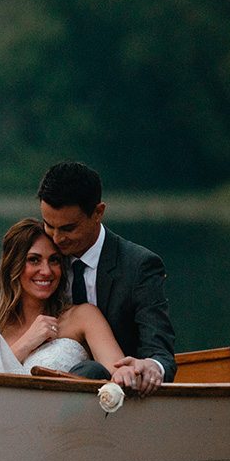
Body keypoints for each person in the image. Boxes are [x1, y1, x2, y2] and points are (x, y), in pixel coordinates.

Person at [38, 161, 176, 395]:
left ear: (98, 213)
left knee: (92, 370)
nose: (57, 238)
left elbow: (160, 352)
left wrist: (150, 366)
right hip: (41, 388)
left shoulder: (139, 265)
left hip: (120, 396)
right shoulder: (40, 256)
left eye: (68, 228)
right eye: (49, 225)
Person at [0, 218, 128, 376]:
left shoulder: (83, 317)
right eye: (34, 260)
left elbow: (118, 371)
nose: (46, 271)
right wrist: (27, 343)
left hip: (64, 422)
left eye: (54, 260)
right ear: (13, 266)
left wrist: (140, 370)